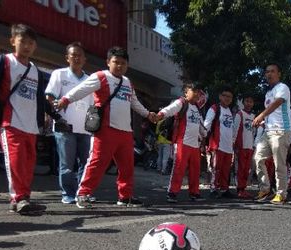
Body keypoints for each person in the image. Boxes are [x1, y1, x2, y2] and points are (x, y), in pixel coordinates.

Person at [56, 46, 158, 209]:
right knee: (96, 163)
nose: (119, 66)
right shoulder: (101, 76)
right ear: (108, 62)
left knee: (127, 167)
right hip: (105, 129)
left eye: (123, 63)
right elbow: (81, 89)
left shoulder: (127, 82)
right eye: (116, 62)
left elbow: (134, 102)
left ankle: (125, 197)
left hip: (125, 132)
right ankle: (83, 194)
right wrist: (65, 99)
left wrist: (148, 114)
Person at [0, 24, 65, 214]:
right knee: (16, 161)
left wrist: (56, 117)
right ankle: (18, 198)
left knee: (28, 164)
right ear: (13, 41)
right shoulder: (3, 62)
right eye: (22, 42)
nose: (27, 46)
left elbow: (41, 100)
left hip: (31, 127)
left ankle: (24, 198)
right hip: (10, 122)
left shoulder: (35, 70)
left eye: (30, 43)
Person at [45, 42, 94, 205]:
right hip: (65, 127)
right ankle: (68, 193)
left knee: (86, 163)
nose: (77, 58)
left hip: (86, 129)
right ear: (67, 58)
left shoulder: (90, 80)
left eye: (80, 55)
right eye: (73, 55)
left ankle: (83, 192)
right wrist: (55, 117)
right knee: (66, 163)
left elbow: (94, 105)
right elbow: (50, 98)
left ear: (85, 59)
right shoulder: (59, 74)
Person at [157, 83, 207, 203]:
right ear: (186, 93)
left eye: (198, 92)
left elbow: (201, 125)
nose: (196, 94)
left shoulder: (197, 108)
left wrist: (204, 134)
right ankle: (172, 192)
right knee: (179, 168)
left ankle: (194, 192)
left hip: (195, 145)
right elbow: (170, 109)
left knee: (195, 170)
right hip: (182, 143)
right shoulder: (181, 103)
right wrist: (160, 114)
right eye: (193, 91)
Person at [252, 63, 291, 204]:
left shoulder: (283, 88)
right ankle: (265, 188)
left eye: (272, 71)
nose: (269, 74)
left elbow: (277, 103)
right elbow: (271, 111)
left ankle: (281, 194)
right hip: (268, 131)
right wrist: (263, 121)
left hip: (280, 131)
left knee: (278, 163)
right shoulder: (268, 93)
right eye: (267, 72)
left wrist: (261, 115)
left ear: (278, 73)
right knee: (257, 158)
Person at [204, 87, 235, 198]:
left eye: (229, 97)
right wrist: (201, 138)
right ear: (220, 96)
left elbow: (230, 129)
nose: (227, 98)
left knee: (226, 170)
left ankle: (224, 189)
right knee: (216, 168)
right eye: (225, 95)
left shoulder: (230, 111)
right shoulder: (214, 108)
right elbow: (207, 124)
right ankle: (213, 189)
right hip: (217, 145)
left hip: (228, 146)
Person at [233, 94, 255, 199]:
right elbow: (235, 130)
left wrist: (254, 145)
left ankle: (244, 189)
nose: (249, 104)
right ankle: (239, 189)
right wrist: (234, 144)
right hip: (241, 146)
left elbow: (253, 132)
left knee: (247, 169)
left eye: (251, 102)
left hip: (249, 146)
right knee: (240, 169)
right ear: (243, 102)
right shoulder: (239, 114)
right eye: (247, 101)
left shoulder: (253, 116)